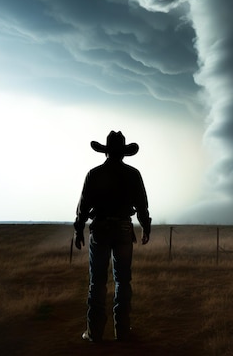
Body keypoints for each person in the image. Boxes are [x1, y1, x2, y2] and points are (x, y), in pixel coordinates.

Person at [74, 130, 151, 343]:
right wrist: (145, 227)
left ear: (105, 152)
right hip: (124, 230)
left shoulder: (94, 174)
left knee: (97, 281)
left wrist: (79, 229)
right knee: (123, 280)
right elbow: (142, 205)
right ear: (124, 154)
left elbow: (83, 206)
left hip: (100, 229)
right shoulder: (133, 174)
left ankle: (94, 333)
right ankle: (123, 332)